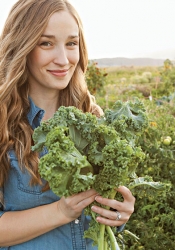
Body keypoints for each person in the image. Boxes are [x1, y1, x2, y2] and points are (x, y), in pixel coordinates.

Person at [0, 0, 136, 249]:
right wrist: (60, 212)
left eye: (71, 43)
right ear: (22, 46)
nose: (63, 60)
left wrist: (118, 213)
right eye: (46, 43)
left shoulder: (92, 118)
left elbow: (99, 215)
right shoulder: (3, 124)